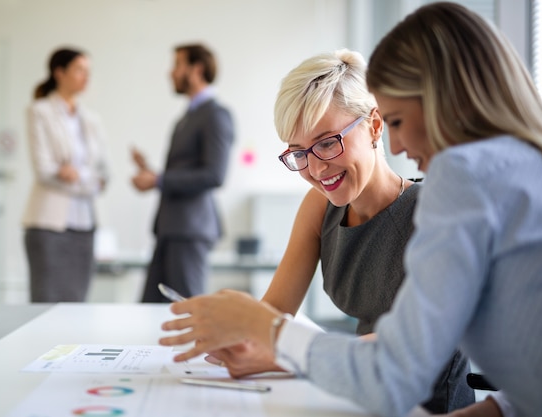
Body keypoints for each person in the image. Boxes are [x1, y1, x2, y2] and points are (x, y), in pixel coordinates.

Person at [159, 3, 542, 417]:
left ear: (375, 125)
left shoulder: (456, 182)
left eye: (396, 121)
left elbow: (402, 362)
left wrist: (269, 336)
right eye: (299, 152)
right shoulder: (515, 172)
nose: (397, 147)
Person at [203, 49, 473, 413]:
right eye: (299, 152)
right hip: (358, 397)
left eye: (328, 142)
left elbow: (409, 345)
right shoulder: (321, 208)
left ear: (375, 125)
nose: (315, 169)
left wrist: (280, 354)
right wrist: (235, 332)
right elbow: (273, 313)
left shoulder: (432, 213)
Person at [131, 43, 234, 303]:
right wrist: (153, 174)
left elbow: (215, 175)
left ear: (196, 69)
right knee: (150, 310)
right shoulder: (187, 117)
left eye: (177, 65)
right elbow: (186, 170)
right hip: (170, 228)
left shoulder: (215, 115)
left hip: (189, 229)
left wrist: (159, 179)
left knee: (187, 312)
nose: (171, 73)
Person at [23, 47, 109, 303]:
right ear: (59, 73)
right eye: (80, 70)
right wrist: (87, 180)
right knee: (46, 300)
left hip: (85, 225)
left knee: (77, 302)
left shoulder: (92, 120)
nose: (86, 77)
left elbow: (105, 174)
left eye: (88, 71)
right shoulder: (39, 111)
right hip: (48, 225)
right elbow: (45, 170)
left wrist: (75, 175)